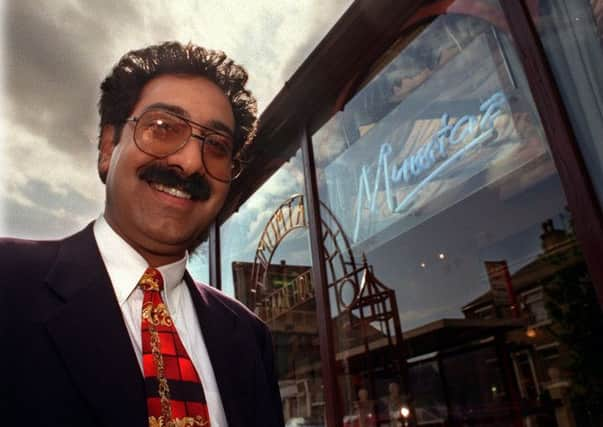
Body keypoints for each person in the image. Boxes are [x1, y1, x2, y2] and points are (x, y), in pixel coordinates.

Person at [0, 42, 285, 427]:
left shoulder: (248, 337)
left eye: (216, 146)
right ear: (107, 147)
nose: (189, 162)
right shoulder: (10, 283)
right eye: (164, 127)